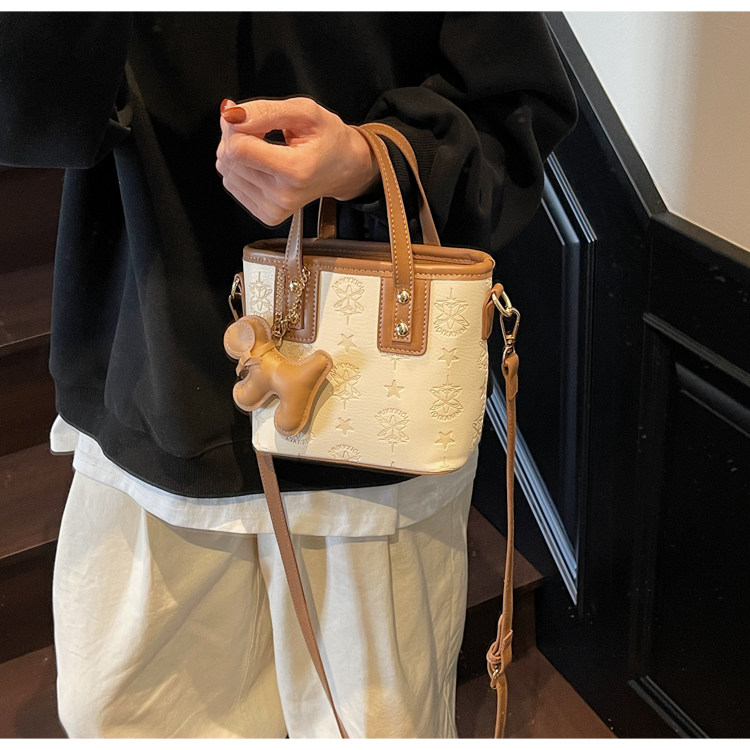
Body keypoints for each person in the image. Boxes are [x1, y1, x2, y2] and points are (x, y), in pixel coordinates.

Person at [0, 11, 576, 738]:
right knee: (127, 717)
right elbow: (31, 108)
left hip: (370, 416)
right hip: (153, 374)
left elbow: (514, 102)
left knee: (371, 727)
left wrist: (367, 160)